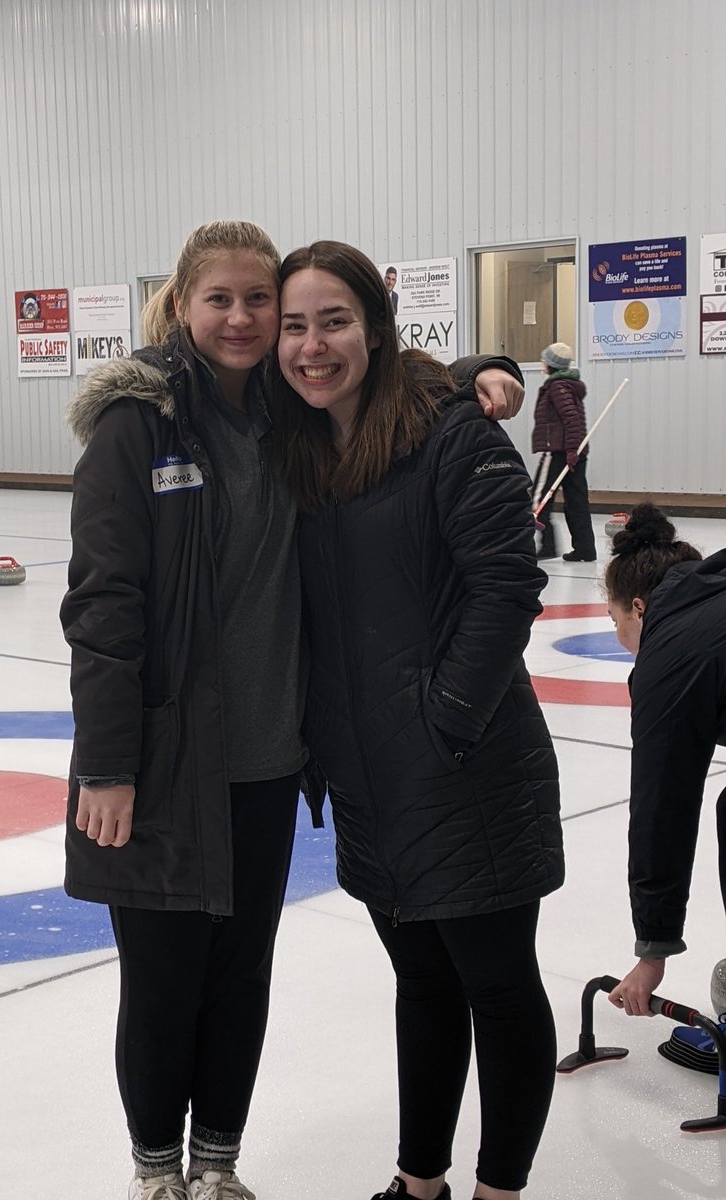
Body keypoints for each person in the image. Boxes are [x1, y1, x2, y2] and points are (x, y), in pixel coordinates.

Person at [59, 220, 526, 1200]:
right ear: (183, 303)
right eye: (220, 298)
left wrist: (479, 369)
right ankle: (157, 1174)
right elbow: (104, 605)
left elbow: (383, 373)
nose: (243, 317)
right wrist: (106, 764)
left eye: (258, 300)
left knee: (239, 981)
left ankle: (219, 1164)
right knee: (161, 987)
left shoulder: (293, 414)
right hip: (156, 762)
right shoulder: (135, 425)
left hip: (269, 760)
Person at [274, 241, 564, 1200]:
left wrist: (447, 721)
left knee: (495, 984)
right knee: (423, 983)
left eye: (335, 320)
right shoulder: (305, 445)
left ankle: (499, 1188)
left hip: (462, 768)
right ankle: (421, 1181)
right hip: (367, 777)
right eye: (295, 326)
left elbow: (505, 584)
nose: (314, 346)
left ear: (377, 326)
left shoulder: (450, 434)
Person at [604, 505, 726, 1019]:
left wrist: (652, 950)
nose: (619, 638)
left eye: (615, 621)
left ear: (638, 607)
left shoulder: (671, 653)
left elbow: (663, 804)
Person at [530, 341, 596, 562]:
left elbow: (571, 419)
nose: (542, 364)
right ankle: (586, 549)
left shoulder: (557, 387)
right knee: (576, 500)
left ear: (551, 364)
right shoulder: (568, 385)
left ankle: (547, 545)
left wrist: (569, 451)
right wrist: (574, 451)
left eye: (544, 360)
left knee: (539, 500)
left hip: (559, 452)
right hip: (574, 452)